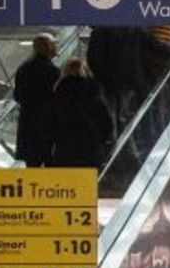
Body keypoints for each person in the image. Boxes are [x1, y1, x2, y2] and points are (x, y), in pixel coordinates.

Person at [36, 58, 115, 169]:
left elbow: (45, 127)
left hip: (65, 153)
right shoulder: (94, 94)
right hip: (92, 152)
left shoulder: (58, 97)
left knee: (69, 185)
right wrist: (102, 143)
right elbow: (107, 124)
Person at [12, 32, 60, 166]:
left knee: (32, 164)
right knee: (50, 162)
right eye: (54, 44)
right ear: (47, 47)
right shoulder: (53, 71)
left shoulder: (24, 69)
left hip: (28, 123)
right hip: (49, 125)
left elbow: (18, 96)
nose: (56, 47)